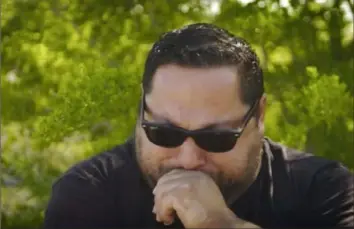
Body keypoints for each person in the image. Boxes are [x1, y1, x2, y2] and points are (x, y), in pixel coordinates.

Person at [43, 23, 354, 228]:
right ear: (141, 111)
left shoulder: (324, 190)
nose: (188, 159)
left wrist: (222, 224)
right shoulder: (89, 193)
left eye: (216, 138)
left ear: (259, 115)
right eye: (164, 133)